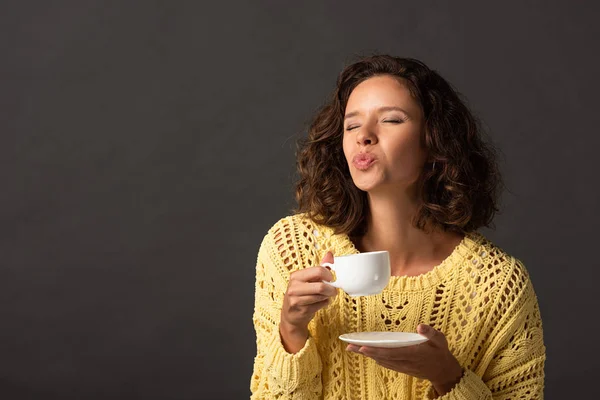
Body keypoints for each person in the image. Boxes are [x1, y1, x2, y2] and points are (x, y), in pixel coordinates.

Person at [250, 55, 546, 399]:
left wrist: (447, 376)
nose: (364, 136)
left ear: (433, 141)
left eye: (391, 119)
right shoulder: (292, 248)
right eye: (351, 125)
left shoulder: (498, 285)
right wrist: (291, 329)